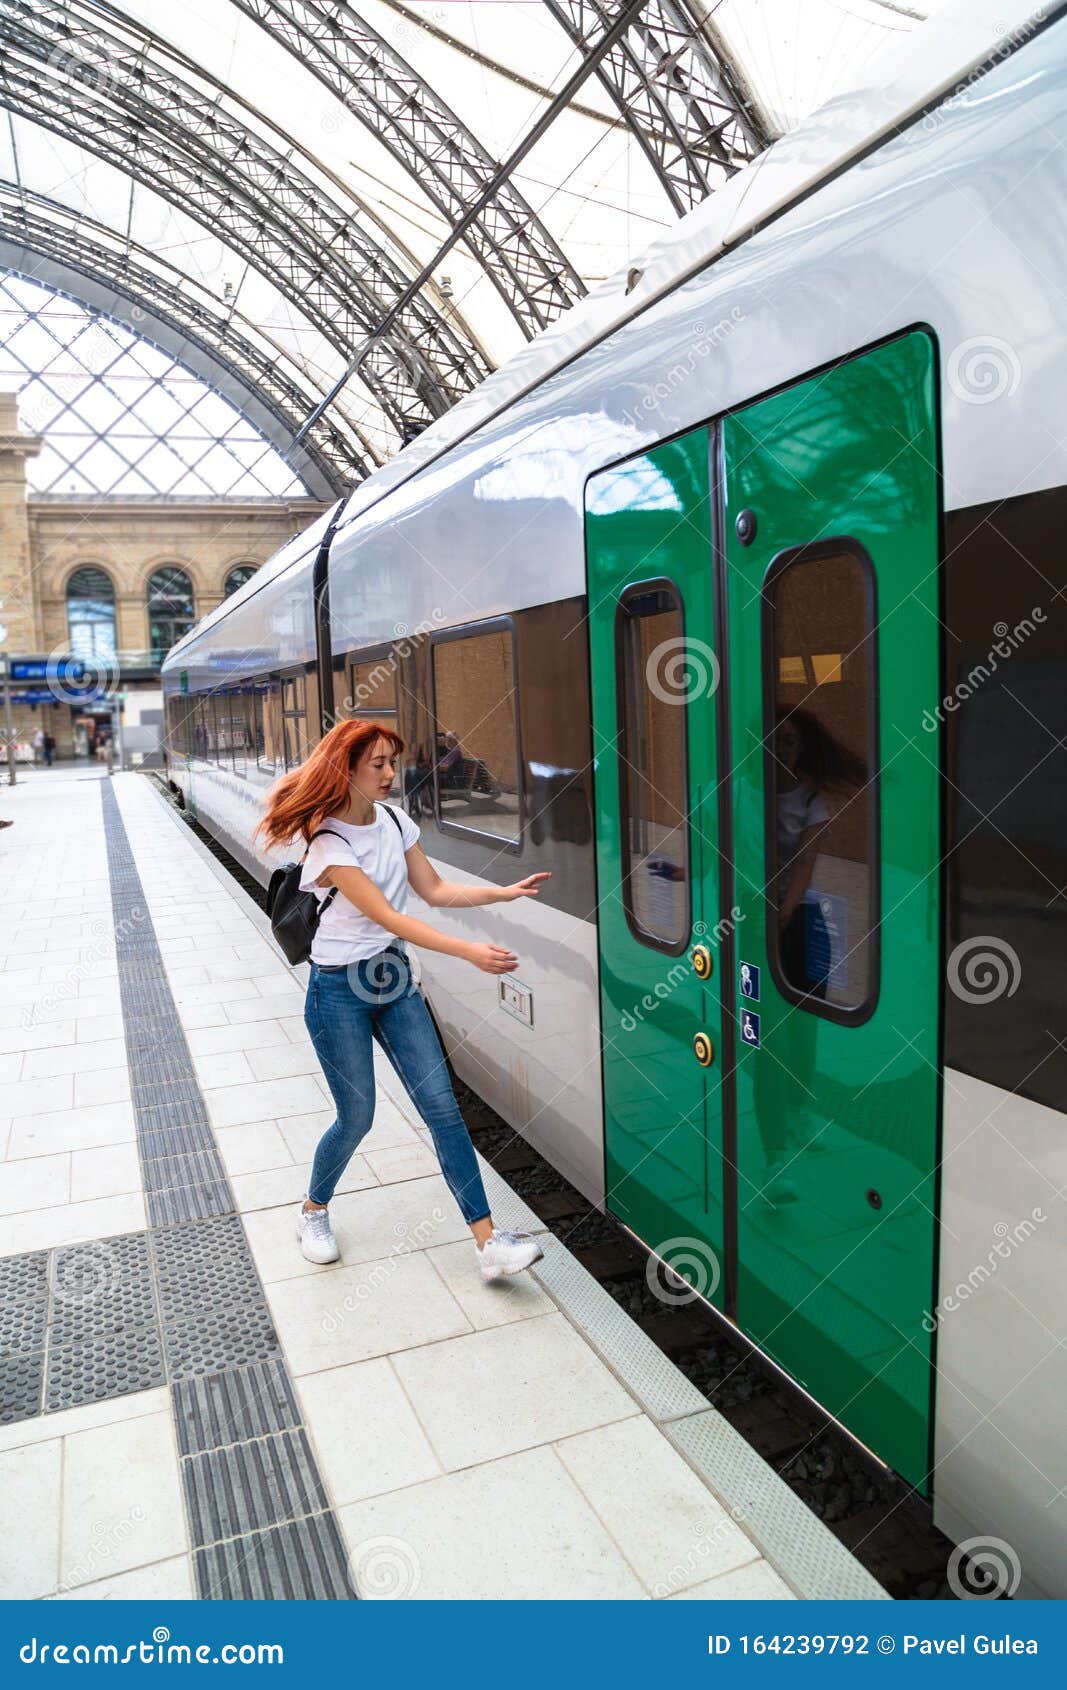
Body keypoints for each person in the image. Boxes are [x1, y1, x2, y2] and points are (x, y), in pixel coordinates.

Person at [254, 717, 551, 1278]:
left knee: (442, 1107)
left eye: (394, 761)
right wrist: (468, 953)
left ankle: (489, 1244)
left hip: (391, 981)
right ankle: (313, 1210)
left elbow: (434, 889)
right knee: (357, 1116)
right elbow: (388, 915)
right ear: (348, 770)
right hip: (338, 990)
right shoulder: (329, 843)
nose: (393, 774)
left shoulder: (394, 821)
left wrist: (503, 892)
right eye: (379, 765)